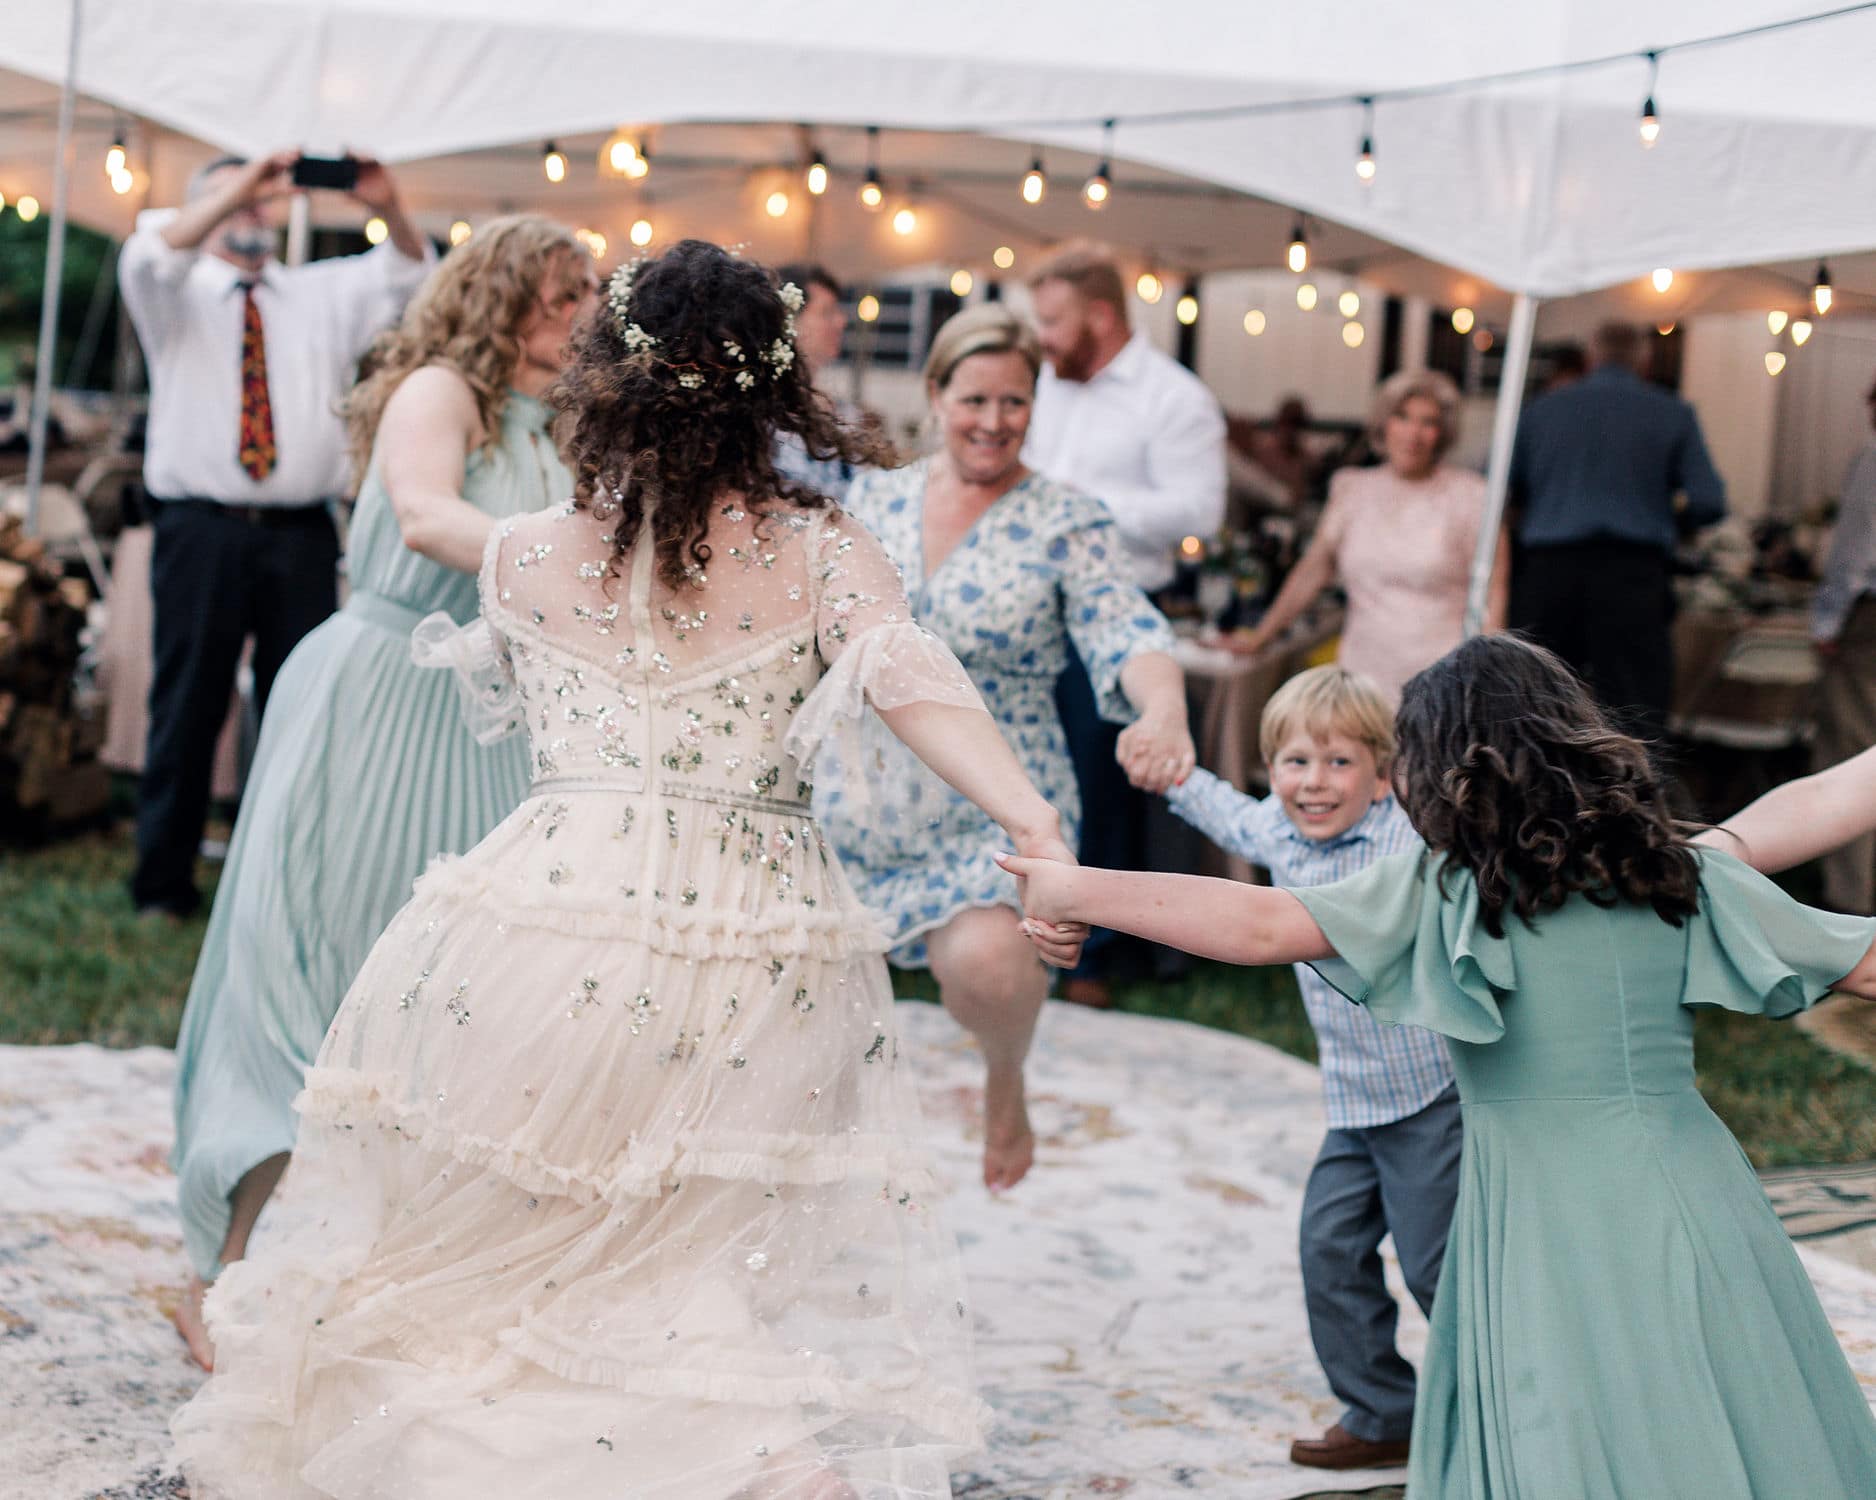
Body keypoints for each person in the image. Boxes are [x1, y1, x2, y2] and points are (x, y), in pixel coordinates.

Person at [171, 239, 1084, 1499]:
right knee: (682, 1243)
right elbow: (910, 680)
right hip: (754, 951)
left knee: (539, 1235)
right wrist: (1034, 823)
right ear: (775, 391)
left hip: (539, 935)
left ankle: (571, 1444)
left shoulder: (523, 555)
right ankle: (730, 1454)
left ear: (604, 379)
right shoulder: (822, 550)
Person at [1002, 633, 1876, 1499]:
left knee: (1562, 1407)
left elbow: (1259, 924)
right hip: (1689, 1186)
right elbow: (1835, 860)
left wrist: (1078, 888)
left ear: (1444, 766)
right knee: (1710, 1384)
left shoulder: (1451, 890)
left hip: (1538, 1202)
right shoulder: (1676, 873)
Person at [167, 216, 596, 1370]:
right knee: (303, 974)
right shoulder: (439, 392)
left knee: (468, 998)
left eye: (587, 295)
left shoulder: (573, 424)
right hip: (379, 698)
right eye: (558, 295)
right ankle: (218, 1270)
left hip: (494, 727)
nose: (578, 316)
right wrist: (583, 567)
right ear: (499, 297)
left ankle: (424, 1273)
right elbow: (424, 515)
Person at [827, 301, 1192, 1190]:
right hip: (854, 798)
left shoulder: (1068, 518)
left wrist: (1164, 710)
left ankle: (1004, 1075)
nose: (994, 421)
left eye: (1015, 401)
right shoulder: (870, 499)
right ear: (936, 395)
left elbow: (1127, 629)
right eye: (974, 399)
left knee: (988, 968)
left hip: (992, 808)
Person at [118, 150, 433, 918]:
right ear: (205, 211)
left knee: (301, 704)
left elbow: (409, 271)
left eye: (263, 198)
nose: (254, 207)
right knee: (188, 702)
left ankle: (286, 875)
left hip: (301, 534)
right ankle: (162, 883)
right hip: (202, 530)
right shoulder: (174, 292)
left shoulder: (318, 292)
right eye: (234, 198)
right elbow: (150, 253)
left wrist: (386, 202)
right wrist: (243, 184)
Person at [1163, 666, 1455, 1472]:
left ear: (1383, 776)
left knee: (1436, 1265)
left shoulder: (1406, 842)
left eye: (1338, 763)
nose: (1314, 783)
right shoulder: (1281, 832)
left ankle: (1512, 1398)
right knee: (1329, 1250)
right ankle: (1384, 1412)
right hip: (1354, 1099)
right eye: (1295, 762)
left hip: (1431, 1094)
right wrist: (1170, 771)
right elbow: (1225, 809)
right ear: (1272, 770)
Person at [1022, 242, 1226, 1006]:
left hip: (1117, 613)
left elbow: (1199, 512)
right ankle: (1027, 928)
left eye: (1053, 321)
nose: (1042, 338)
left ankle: (1096, 958)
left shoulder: (1174, 399)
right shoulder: (1045, 384)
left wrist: (1082, 504)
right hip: (1032, 607)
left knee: (1098, 785)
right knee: (1034, 773)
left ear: (1100, 316)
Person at [1509, 319, 1726, 742]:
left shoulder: (1541, 410)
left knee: (1537, 706)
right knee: (1636, 713)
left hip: (1549, 574)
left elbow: (1497, 487)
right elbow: (1709, 502)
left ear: (1590, 358)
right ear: (1645, 362)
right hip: (1632, 576)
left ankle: (1535, 782)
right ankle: (1631, 784)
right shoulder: (1673, 413)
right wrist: (1670, 521)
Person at [1237, 370, 1508, 706]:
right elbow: (1312, 571)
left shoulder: (1472, 496)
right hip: (1362, 678)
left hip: (1442, 682)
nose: (1413, 433)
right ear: (1384, 423)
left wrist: (1485, 680)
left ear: (1442, 433)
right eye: (1402, 417)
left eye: (1428, 422)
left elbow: (1494, 591)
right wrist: (1259, 637)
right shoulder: (1351, 488)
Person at [1807, 375, 1876, 912]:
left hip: (1868, 620)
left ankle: (1848, 898)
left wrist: (1828, 622)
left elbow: (1854, 546)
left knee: (1850, 756)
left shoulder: (1873, 456)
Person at [770, 261, 860, 497]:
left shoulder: (842, 411)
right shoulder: (763, 413)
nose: (841, 321)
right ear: (789, 321)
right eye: (827, 312)